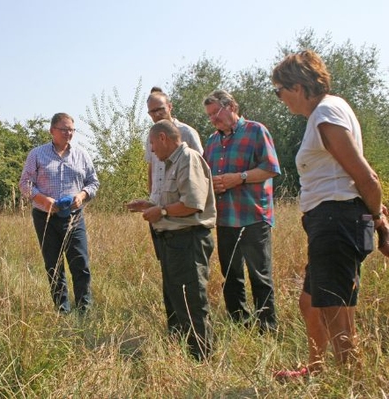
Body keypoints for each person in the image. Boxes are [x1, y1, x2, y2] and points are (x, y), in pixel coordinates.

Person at [271, 49, 389, 378]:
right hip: (333, 222)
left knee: (338, 316)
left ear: (295, 87)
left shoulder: (325, 114)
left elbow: (366, 177)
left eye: (279, 90)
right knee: (310, 304)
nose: (280, 98)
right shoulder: (326, 113)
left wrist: (378, 219)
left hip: (338, 222)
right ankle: (317, 369)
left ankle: (354, 383)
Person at [127, 119, 216, 361]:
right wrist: (151, 206)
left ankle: (201, 356)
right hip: (171, 240)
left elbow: (192, 204)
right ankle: (180, 351)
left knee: (191, 299)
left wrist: (162, 212)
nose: (152, 150)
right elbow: (173, 200)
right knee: (175, 297)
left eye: (153, 143)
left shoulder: (189, 159)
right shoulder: (170, 163)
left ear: (163, 138)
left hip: (189, 240)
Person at [202, 89, 281, 334]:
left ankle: (267, 329)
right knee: (231, 276)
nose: (213, 119)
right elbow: (206, 177)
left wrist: (240, 178)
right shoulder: (212, 142)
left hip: (254, 217)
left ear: (232, 106)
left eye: (216, 112)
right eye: (210, 115)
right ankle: (240, 324)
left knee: (260, 276)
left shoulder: (256, 131)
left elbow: (270, 169)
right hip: (225, 218)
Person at [19, 112, 100, 314]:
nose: (68, 133)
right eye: (64, 129)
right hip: (45, 217)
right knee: (54, 265)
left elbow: (93, 182)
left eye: (71, 129)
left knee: (80, 263)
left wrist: (82, 195)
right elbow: (25, 183)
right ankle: (62, 310)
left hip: (74, 217)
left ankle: (84, 309)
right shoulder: (37, 154)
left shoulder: (82, 154)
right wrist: (42, 199)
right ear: (52, 131)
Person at [145, 87, 202, 204]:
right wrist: (151, 198)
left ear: (170, 106)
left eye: (161, 109)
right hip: (156, 203)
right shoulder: (151, 136)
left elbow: (200, 166)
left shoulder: (187, 132)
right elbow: (151, 168)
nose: (157, 114)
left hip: (181, 204)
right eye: (152, 111)